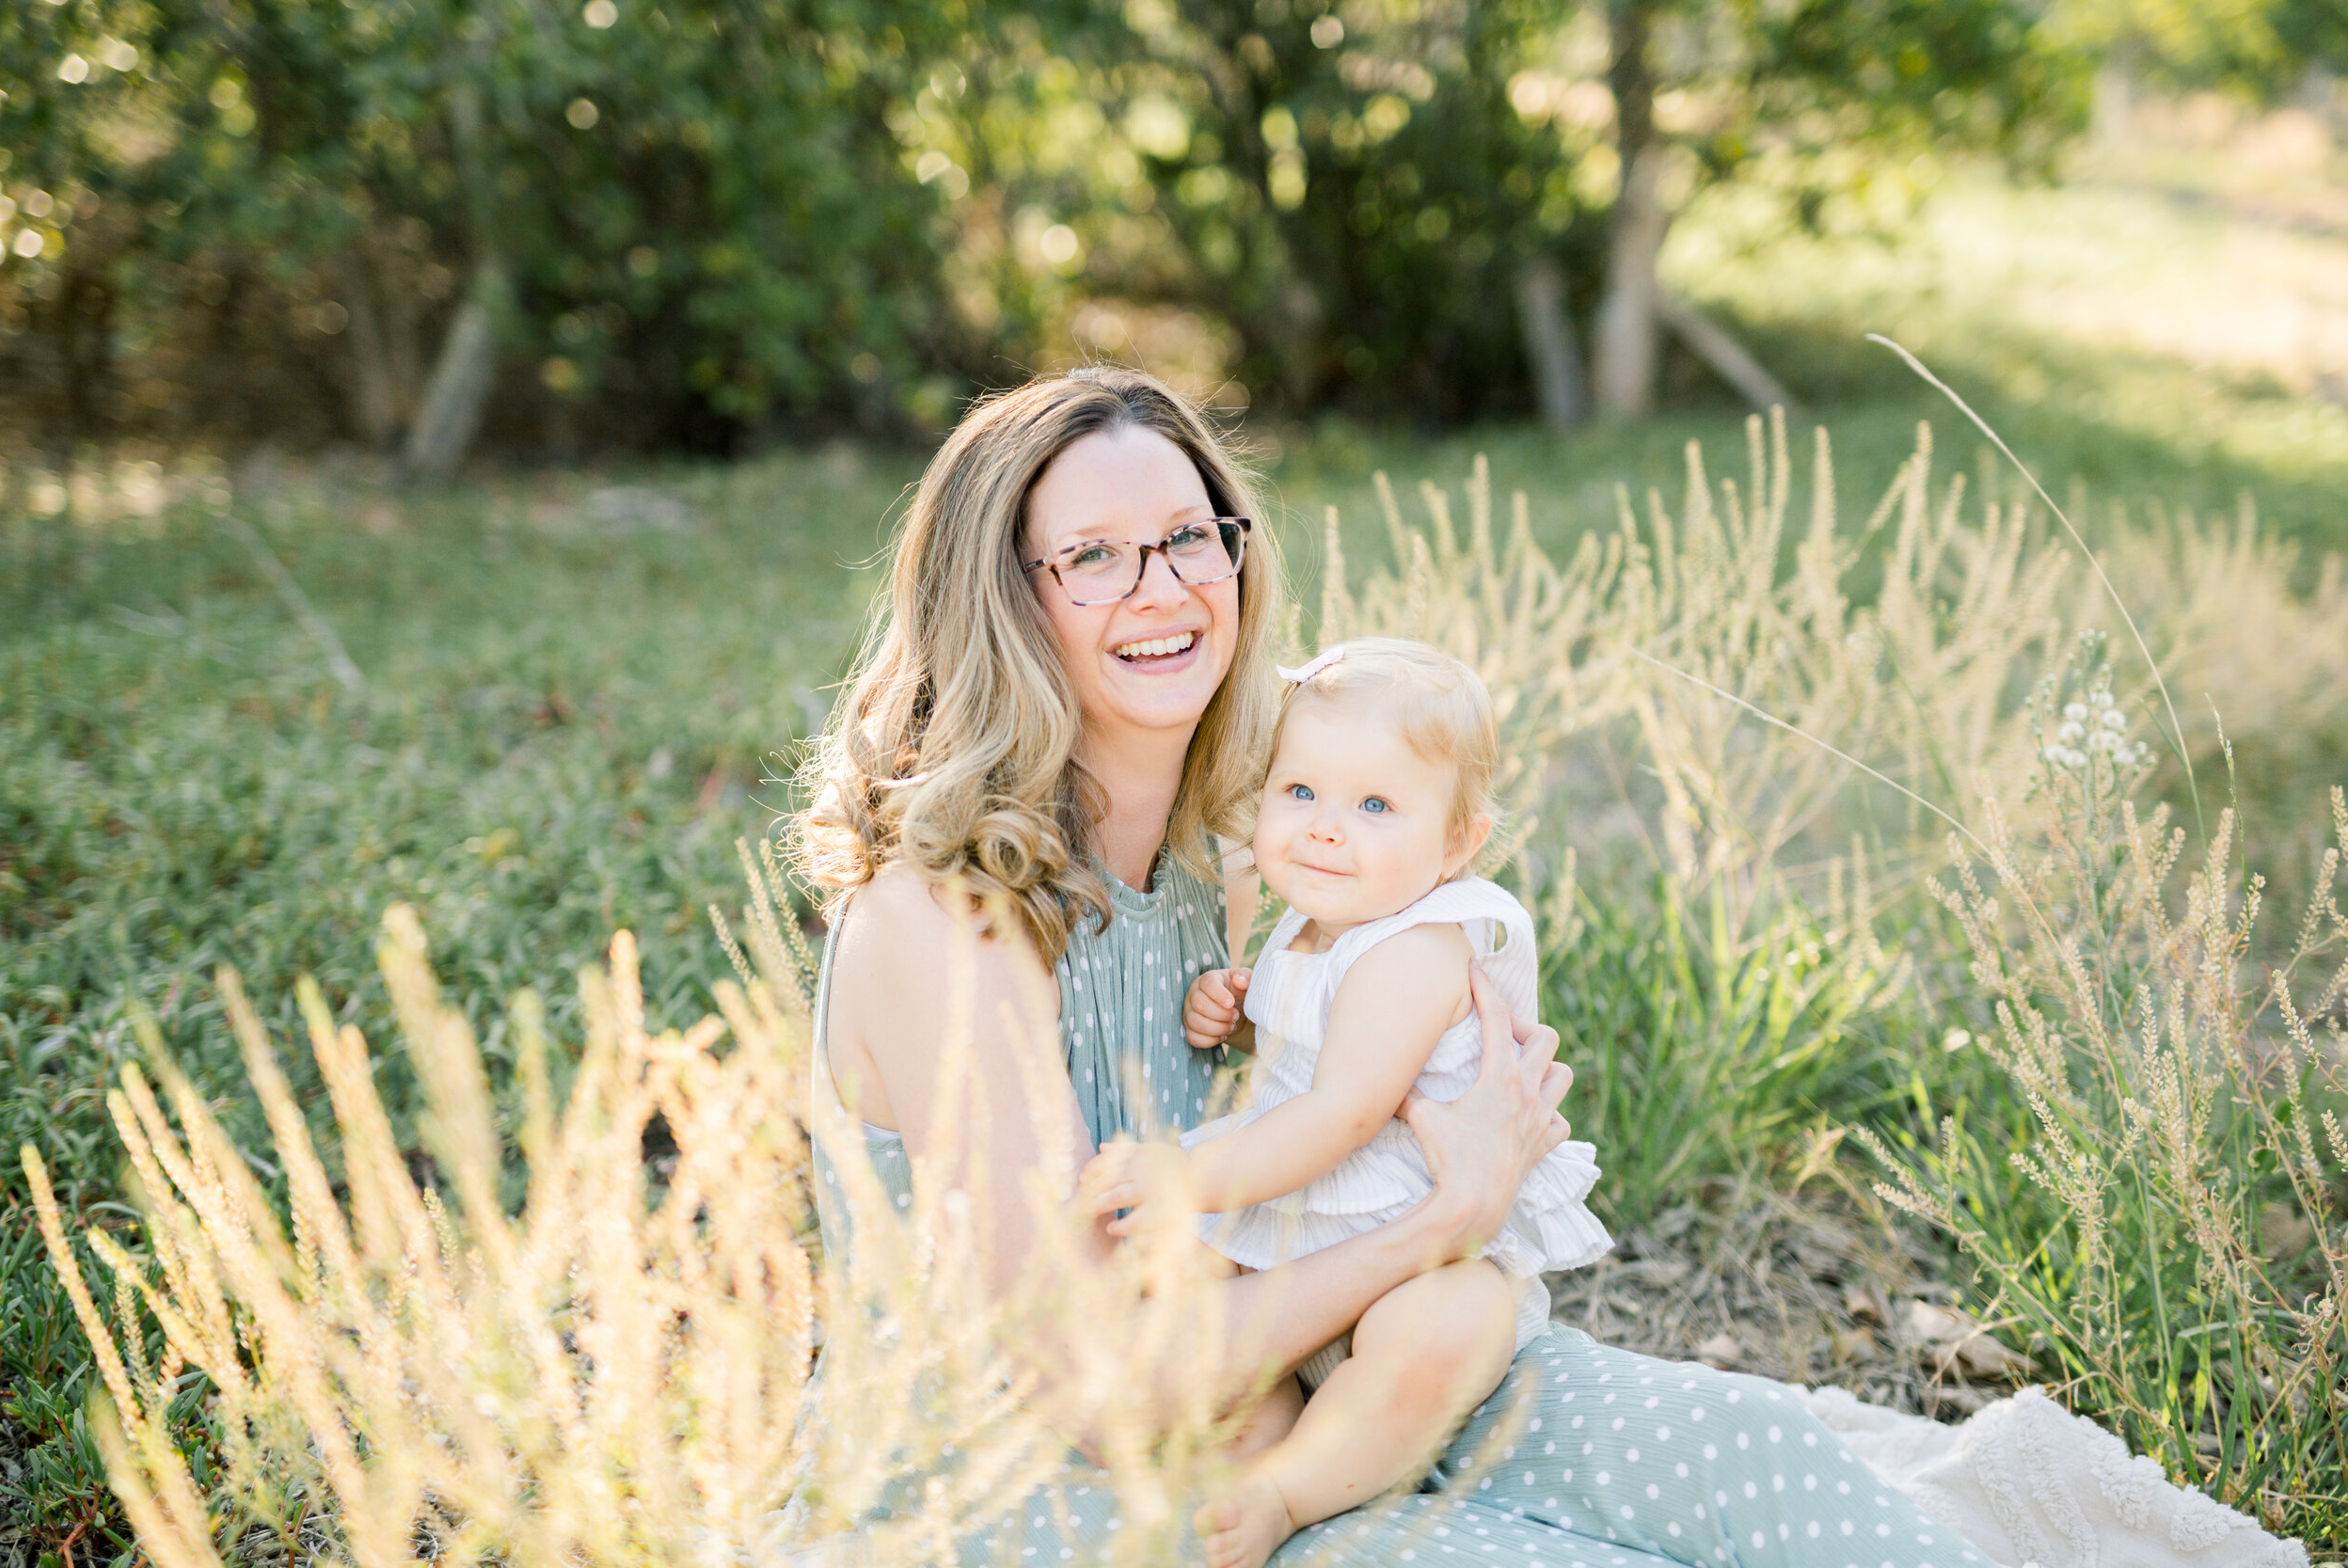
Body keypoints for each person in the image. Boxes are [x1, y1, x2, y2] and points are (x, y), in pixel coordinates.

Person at [794, 364, 1985, 1566]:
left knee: (1749, 1448)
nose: (1161, 589)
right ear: (1003, 602)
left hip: (1304, 1374)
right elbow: (1095, 1385)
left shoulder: (1247, 852)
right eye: (1093, 557)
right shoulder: (949, 920)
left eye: (1185, 538)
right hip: (1022, 1485)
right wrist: (1445, 1216)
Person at [1077, 638, 1612, 1568]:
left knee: (1452, 1324)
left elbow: (1344, 1113)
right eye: (1300, 792)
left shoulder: (1416, 946)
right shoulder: (1323, 915)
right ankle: (1262, 1427)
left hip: (1406, 1243)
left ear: (1457, 841)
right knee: (1157, 1275)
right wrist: (1247, 1022)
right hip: (1308, 1221)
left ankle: (1294, 1488)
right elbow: (1321, 1052)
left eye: (1374, 805)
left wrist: (1185, 1177)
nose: (1326, 826)